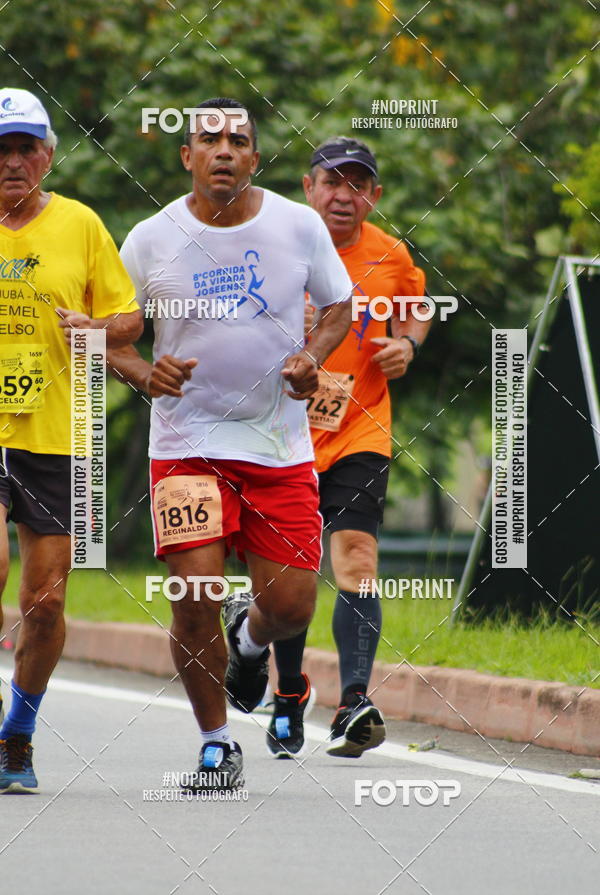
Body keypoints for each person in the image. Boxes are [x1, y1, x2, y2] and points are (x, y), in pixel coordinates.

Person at [107, 99, 352, 790]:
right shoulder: (152, 238)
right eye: (208, 140)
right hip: (187, 444)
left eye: (237, 141)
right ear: (187, 156)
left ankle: (249, 642)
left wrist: (312, 355)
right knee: (194, 593)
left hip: (277, 445)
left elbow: (339, 306)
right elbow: (113, 334)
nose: (223, 151)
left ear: (253, 158)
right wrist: (141, 371)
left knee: (294, 605)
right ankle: (217, 742)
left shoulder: (297, 226)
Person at [0, 88, 142, 793]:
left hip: (55, 431)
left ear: (49, 156)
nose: (13, 162)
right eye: (1, 149)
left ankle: (17, 733)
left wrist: (90, 330)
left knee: (46, 601)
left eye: (26, 147)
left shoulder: (81, 225)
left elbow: (128, 322)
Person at [270, 136, 430, 758]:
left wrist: (407, 346)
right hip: (279, 435)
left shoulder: (390, 253)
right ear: (308, 188)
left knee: (356, 559)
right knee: (290, 577)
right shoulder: (274, 244)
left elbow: (417, 310)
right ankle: (287, 694)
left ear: (374, 196)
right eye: (332, 182)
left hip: (361, 430)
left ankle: (354, 702)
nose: (344, 195)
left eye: (357, 184)